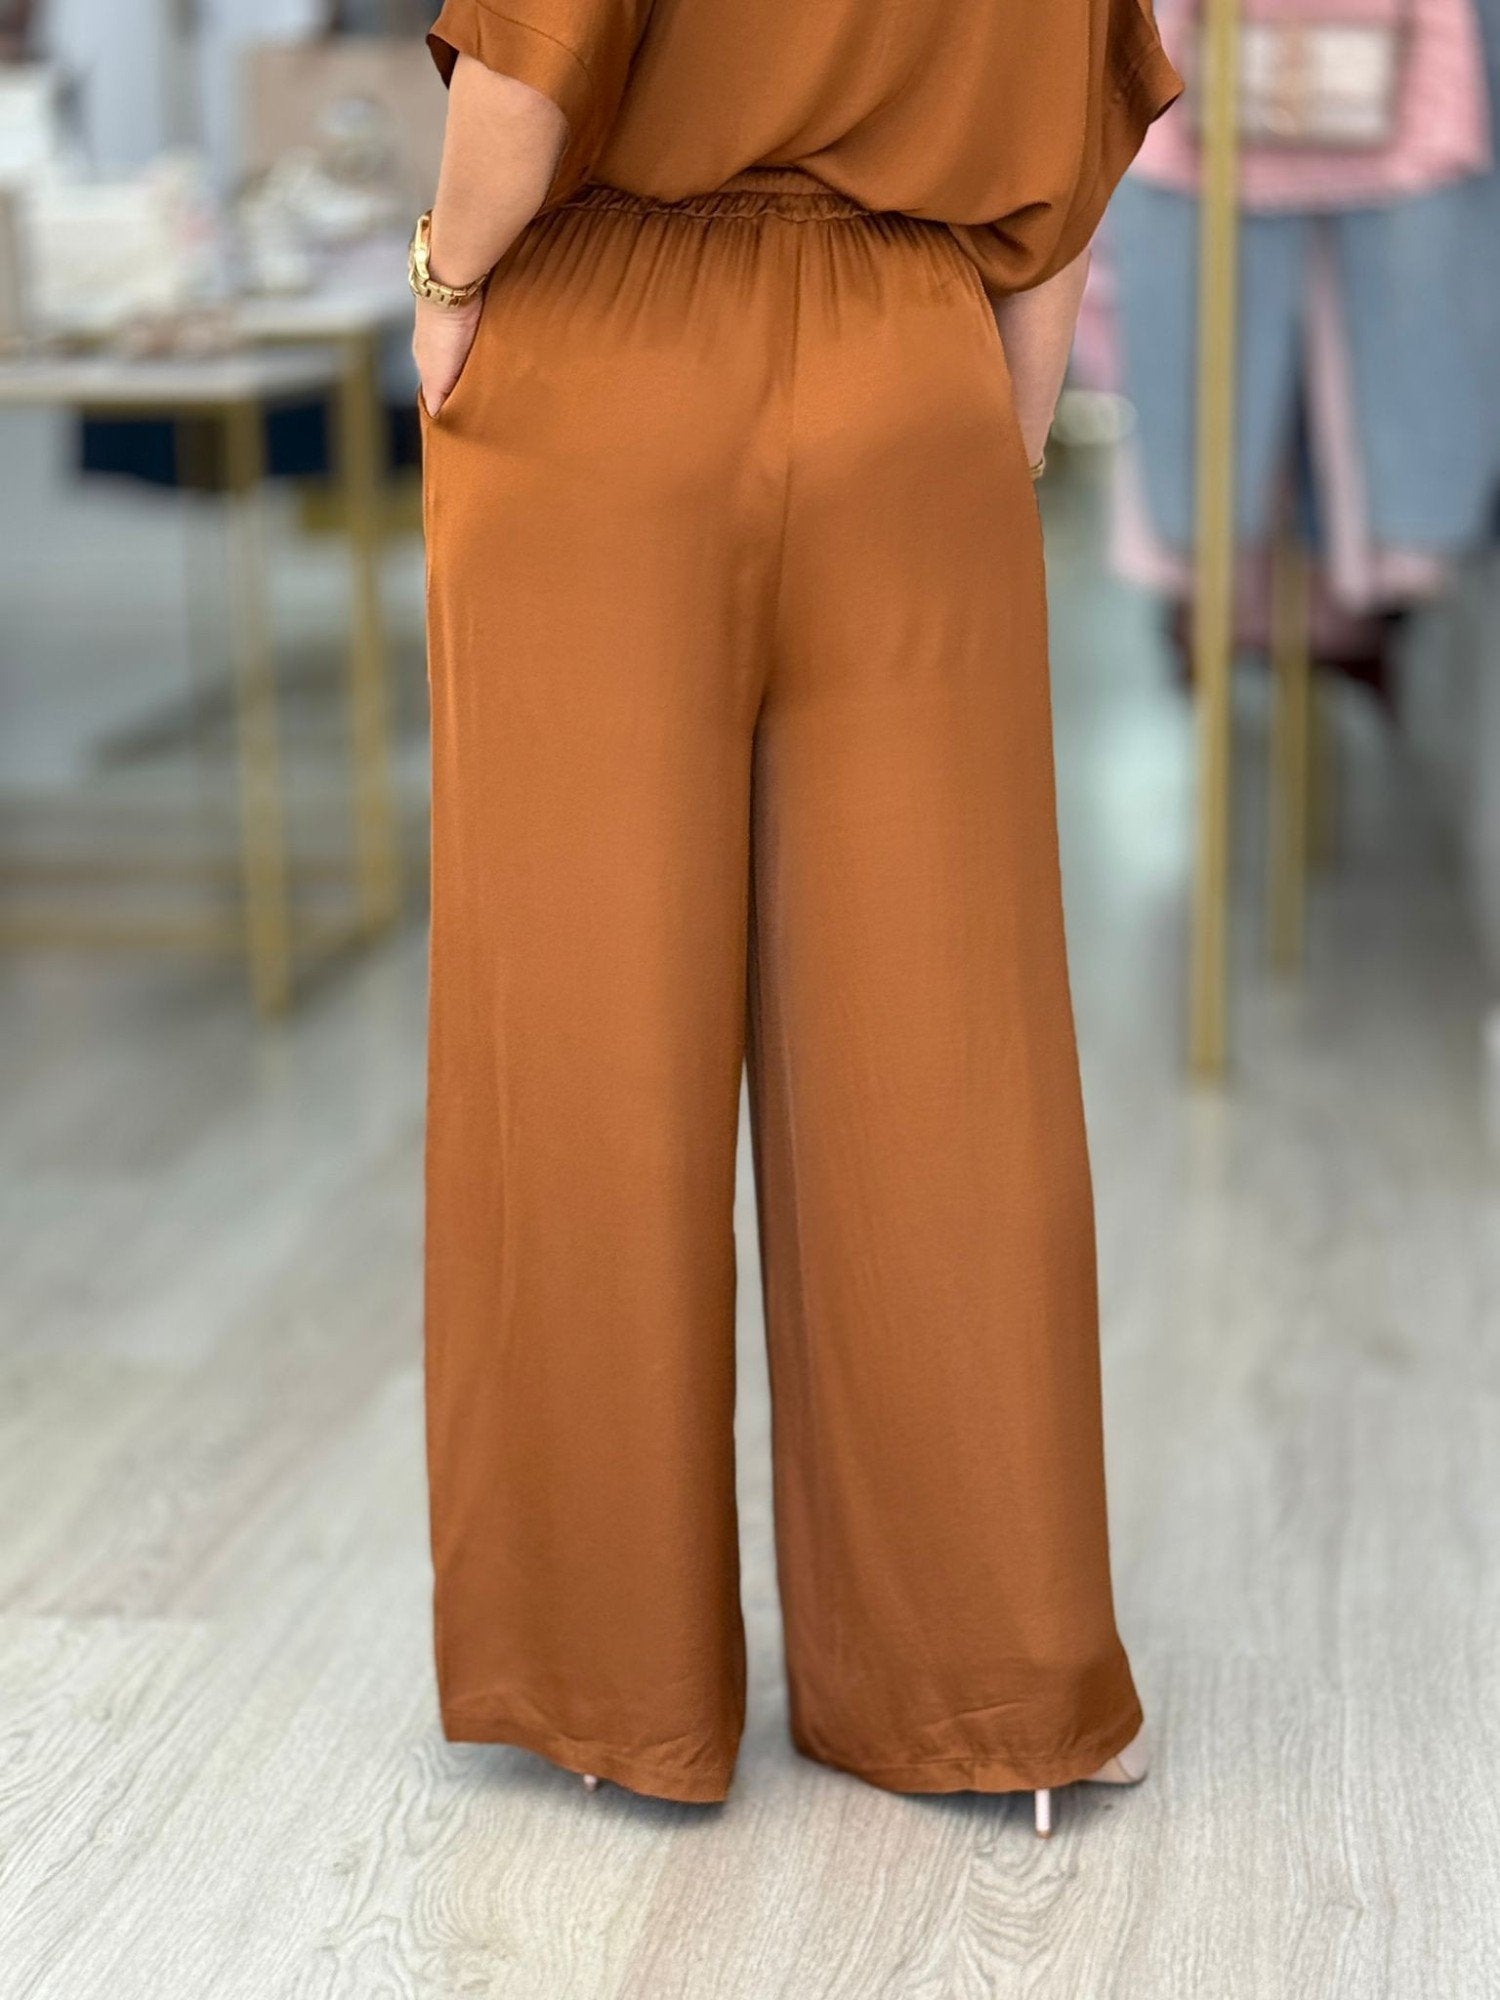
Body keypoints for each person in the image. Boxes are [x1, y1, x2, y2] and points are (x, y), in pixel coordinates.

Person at [413, 0, 1181, 1831]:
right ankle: (992, 1689)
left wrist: (445, 282)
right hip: (916, 359)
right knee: (942, 1055)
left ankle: (608, 1687)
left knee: (584, 1032)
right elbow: (1068, 166)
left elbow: (530, 66)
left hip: (606, 362)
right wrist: (982, 419)